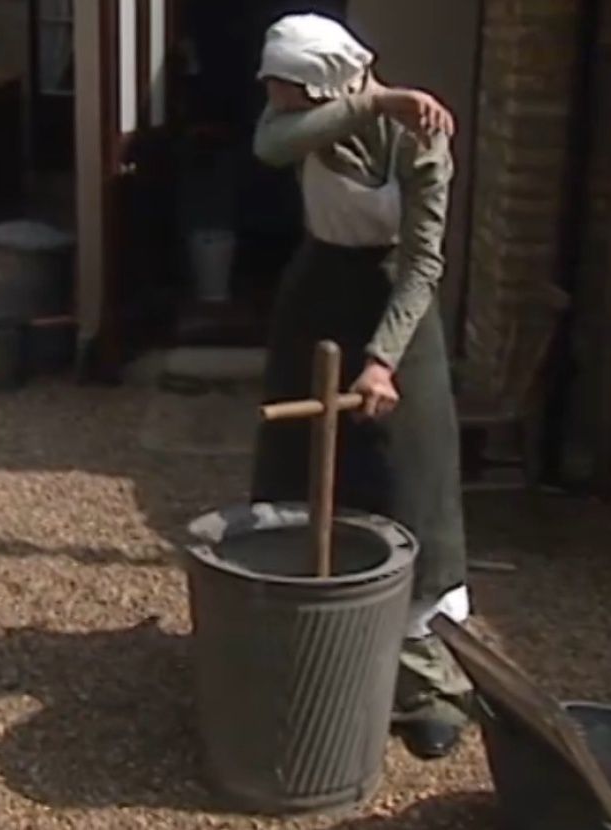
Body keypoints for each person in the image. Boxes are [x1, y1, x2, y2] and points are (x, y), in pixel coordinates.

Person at [247, 13, 473, 760]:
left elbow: (422, 265)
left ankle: (423, 675)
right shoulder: (306, 120)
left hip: (395, 309)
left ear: (328, 80)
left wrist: (382, 360)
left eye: (289, 91)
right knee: (296, 471)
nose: (280, 103)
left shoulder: (421, 140)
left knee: (408, 484)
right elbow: (270, 145)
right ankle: (301, 635)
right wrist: (378, 99)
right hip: (316, 297)